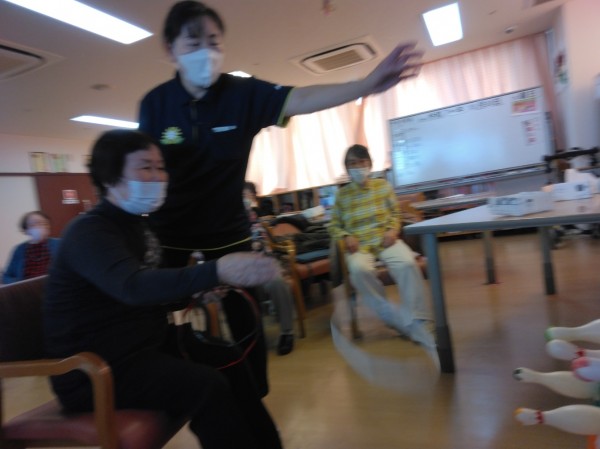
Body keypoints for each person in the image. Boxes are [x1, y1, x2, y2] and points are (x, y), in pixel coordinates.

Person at [138, 0, 424, 394]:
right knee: (155, 319)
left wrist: (366, 85)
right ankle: (169, 393)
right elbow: (141, 167)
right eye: (193, 43)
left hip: (227, 232)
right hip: (170, 232)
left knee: (247, 324)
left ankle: (253, 394)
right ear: (170, 50)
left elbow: (301, 98)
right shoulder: (155, 104)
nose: (206, 51)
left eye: (214, 42)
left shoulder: (241, 93)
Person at [43, 129, 283, 449]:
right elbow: (132, 286)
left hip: (144, 348)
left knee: (228, 358)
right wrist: (215, 270)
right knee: (206, 384)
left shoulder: (139, 225)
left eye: (160, 167)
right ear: (110, 178)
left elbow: (153, 291)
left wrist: (199, 290)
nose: (158, 176)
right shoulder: (89, 232)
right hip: (94, 371)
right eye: (146, 167)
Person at [328, 144, 436, 352]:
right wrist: (346, 236)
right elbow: (333, 226)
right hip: (359, 247)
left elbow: (396, 214)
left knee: (407, 263)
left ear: (370, 164)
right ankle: (392, 318)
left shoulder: (383, 186)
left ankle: (419, 321)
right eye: (352, 163)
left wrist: (393, 231)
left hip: (385, 240)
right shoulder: (342, 196)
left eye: (361, 162)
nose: (358, 167)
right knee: (359, 270)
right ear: (347, 168)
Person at [244, 181, 295, 355]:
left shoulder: (257, 220)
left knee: (277, 282)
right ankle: (253, 337)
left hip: (264, 264)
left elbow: (263, 245)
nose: (245, 199)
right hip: (241, 269)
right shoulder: (230, 221)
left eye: (248, 195)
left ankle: (287, 332)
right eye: (242, 195)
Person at [2, 210, 60, 284]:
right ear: (26, 230)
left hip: (54, 286)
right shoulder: (19, 250)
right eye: (34, 224)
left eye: (44, 223)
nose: (40, 227)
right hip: (28, 289)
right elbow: (6, 276)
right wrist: (19, 284)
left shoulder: (59, 244)